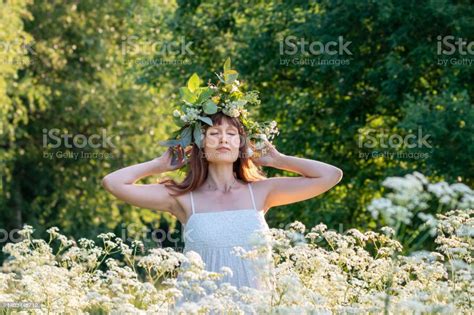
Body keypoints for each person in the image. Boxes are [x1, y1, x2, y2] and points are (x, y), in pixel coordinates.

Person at [102, 59, 343, 310]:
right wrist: (159, 165)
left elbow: (331, 175)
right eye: (214, 134)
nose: (223, 140)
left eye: (231, 134)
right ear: (200, 144)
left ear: (241, 144)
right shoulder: (182, 198)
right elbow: (113, 182)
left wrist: (278, 159)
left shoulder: (260, 192)